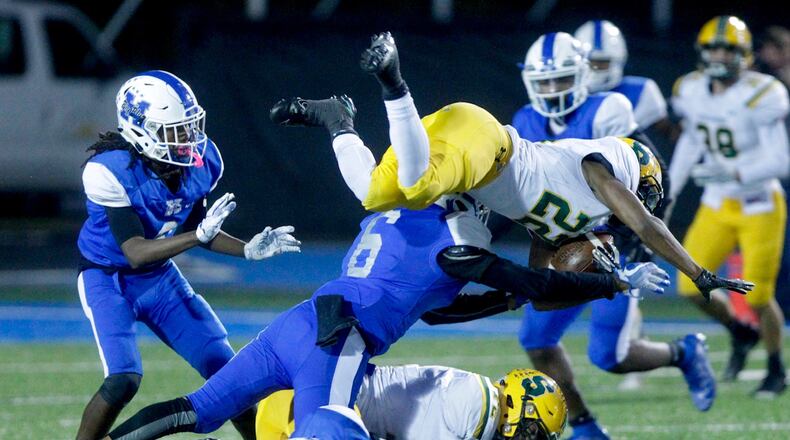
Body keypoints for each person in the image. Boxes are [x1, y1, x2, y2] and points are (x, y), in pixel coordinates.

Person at [270, 31, 750, 329]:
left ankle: (338, 122)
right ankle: (395, 83)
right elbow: (647, 226)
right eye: (643, 192)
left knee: (374, 192)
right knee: (416, 188)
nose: (636, 203)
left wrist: (600, 278)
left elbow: (539, 289)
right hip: (485, 144)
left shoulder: (561, 220)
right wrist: (699, 274)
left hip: (456, 148)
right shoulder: (598, 165)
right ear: (636, 173)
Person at [100, 191, 670, 439]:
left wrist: (512, 296)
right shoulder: (454, 247)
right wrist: (609, 281)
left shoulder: (390, 220)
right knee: (331, 431)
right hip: (339, 341)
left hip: (301, 321)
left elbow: (444, 314)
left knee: (197, 410)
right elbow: (535, 280)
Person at [75, 70, 301, 440]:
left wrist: (246, 249)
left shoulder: (202, 162)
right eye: (175, 130)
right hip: (108, 278)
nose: (189, 139)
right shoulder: (109, 171)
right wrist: (197, 235)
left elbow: (200, 226)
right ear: (139, 131)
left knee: (228, 374)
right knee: (123, 379)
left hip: (159, 276)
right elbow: (135, 252)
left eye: (189, 126)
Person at [508, 31, 686, 439]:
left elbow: (653, 177)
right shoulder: (524, 121)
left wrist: (635, 237)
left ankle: (684, 352)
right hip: (567, 243)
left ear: (583, 75)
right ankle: (586, 427)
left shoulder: (609, 107)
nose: (553, 90)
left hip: (619, 241)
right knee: (536, 339)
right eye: (545, 82)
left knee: (609, 354)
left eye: (562, 79)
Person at [669, 16, 790, 397]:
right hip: (717, 204)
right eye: (714, 48)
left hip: (759, 204)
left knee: (756, 296)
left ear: (745, 56)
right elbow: (691, 140)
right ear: (703, 53)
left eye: (728, 49)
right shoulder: (691, 90)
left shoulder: (762, 93)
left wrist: (734, 172)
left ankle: (775, 367)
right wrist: (670, 187)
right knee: (689, 286)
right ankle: (740, 332)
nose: (720, 55)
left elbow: (781, 160)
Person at [256, 366, 568, 440]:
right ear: (516, 402)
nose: (529, 439)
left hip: (294, 412)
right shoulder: (478, 404)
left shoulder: (476, 394)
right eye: (532, 431)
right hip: (314, 413)